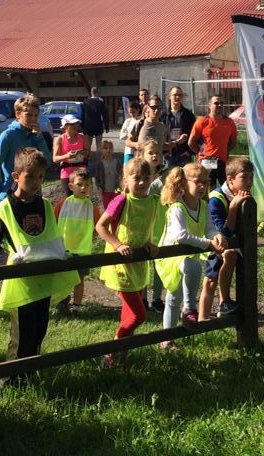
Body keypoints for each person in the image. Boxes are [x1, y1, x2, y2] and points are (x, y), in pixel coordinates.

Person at [0, 148, 79, 379]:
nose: (37, 182)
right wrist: (7, 260)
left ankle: (30, 374)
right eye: (31, 176)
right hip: (22, 285)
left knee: (39, 330)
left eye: (41, 177)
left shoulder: (45, 205)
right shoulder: (5, 208)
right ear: (16, 176)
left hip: (43, 282)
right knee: (22, 336)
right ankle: (10, 379)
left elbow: (52, 238)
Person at [155, 163, 227, 350]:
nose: (202, 186)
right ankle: (189, 309)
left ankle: (167, 341)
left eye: (205, 182)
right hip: (171, 257)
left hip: (188, 256)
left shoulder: (204, 206)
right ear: (184, 184)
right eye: (197, 182)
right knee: (190, 272)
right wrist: (208, 243)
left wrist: (217, 236)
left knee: (174, 297)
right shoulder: (177, 208)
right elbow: (181, 236)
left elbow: (210, 228)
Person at [96, 157, 159, 370]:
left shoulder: (152, 202)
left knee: (128, 314)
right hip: (120, 265)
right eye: (136, 178)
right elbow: (100, 226)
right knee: (139, 315)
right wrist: (118, 244)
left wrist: (149, 243)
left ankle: (120, 358)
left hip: (138, 264)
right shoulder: (120, 201)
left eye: (146, 178)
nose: (142, 182)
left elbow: (145, 227)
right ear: (125, 180)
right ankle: (111, 350)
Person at [199, 157, 254, 321]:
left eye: (251, 177)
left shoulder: (244, 195)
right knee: (210, 281)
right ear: (230, 179)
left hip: (230, 244)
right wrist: (233, 207)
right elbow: (223, 232)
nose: (249, 182)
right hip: (211, 242)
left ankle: (226, 305)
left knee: (232, 257)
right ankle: (203, 318)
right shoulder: (216, 199)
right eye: (244, 177)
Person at [54, 169, 101, 316]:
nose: (83, 188)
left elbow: (97, 227)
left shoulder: (92, 207)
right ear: (71, 186)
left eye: (87, 185)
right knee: (63, 279)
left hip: (82, 250)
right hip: (64, 250)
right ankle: (62, 303)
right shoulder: (63, 204)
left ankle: (76, 307)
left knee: (79, 280)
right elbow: (54, 223)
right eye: (79, 184)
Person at [0, 93, 52, 201]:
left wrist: (40, 138)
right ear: (18, 114)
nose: (33, 119)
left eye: (35, 115)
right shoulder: (8, 136)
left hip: (35, 193)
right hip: (13, 192)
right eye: (29, 115)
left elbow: (47, 163)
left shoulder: (36, 135)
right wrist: (1, 192)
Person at [136, 139, 167, 313]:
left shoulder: (165, 174)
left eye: (158, 152)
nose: (155, 155)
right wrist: (158, 183)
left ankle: (156, 298)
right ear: (141, 155)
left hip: (160, 224)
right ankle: (142, 298)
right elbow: (142, 194)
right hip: (143, 224)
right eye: (151, 152)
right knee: (143, 263)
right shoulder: (137, 175)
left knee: (159, 262)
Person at [188, 95, 237, 187]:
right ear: (209, 105)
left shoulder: (229, 122)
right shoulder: (202, 121)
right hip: (207, 161)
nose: (219, 105)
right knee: (207, 188)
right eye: (216, 103)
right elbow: (191, 142)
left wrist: (224, 151)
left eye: (221, 103)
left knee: (226, 188)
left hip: (223, 161)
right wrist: (200, 153)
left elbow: (233, 142)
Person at [126, 95, 174, 160]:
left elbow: (163, 146)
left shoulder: (163, 127)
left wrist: (177, 142)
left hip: (157, 164)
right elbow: (127, 142)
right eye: (153, 107)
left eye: (159, 107)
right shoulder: (139, 124)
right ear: (148, 108)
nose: (156, 110)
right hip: (141, 163)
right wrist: (135, 144)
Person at [52, 114, 89, 196]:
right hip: (67, 172)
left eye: (77, 123)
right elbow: (55, 159)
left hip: (81, 171)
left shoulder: (83, 138)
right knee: (70, 198)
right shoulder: (59, 139)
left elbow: (88, 154)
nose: (76, 126)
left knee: (83, 196)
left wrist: (83, 153)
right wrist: (67, 156)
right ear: (65, 126)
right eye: (72, 124)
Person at [161, 86, 196, 168]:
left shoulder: (188, 115)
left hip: (184, 155)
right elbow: (160, 135)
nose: (177, 97)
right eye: (175, 95)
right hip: (168, 155)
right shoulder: (163, 115)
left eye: (180, 95)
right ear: (169, 96)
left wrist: (189, 152)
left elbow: (195, 135)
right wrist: (164, 152)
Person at [95, 140, 122, 209]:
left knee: (116, 208)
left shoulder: (117, 162)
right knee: (107, 208)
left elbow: (121, 175)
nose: (108, 150)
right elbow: (97, 176)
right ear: (102, 150)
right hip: (105, 190)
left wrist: (120, 186)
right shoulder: (100, 163)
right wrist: (98, 186)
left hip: (115, 190)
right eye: (105, 148)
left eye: (110, 148)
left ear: (113, 149)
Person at [81, 87, 109, 153]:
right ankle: (98, 158)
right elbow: (105, 116)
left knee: (88, 144)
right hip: (98, 126)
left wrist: (83, 127)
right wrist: (106, 127)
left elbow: (82, 116)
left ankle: (88, 158)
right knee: (99, 144)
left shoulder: (85, 102)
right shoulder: (101, 102)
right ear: (97, 93)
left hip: (88, 126)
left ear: (91, 93)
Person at [119, 101, 141, 165]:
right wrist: (128, 134)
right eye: (130, 112)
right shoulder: (127, 121)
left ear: (138, 110)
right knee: (127, 167)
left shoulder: (141, 121)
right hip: (129, 150)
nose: (132, 114)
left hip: (139, 149)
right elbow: (121, 135)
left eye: (133, 112)